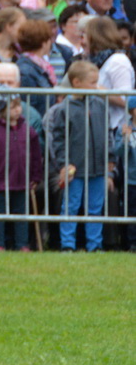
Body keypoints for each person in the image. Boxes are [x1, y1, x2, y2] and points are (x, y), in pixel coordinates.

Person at [0, 64, 46, 251]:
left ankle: (22, 243)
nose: (18, 110)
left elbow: (36, 155)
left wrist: (35, 177)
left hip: (22, 180)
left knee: (21, 214)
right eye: (13, 106)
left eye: (18, 105)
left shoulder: (28, 129)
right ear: (3, 109)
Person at [46, 58, 111, 251]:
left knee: (95, 208)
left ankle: (95, 244)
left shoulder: (100, 105)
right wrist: (64, 164)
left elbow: (107, 134)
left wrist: (110, 160)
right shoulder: (64, 110)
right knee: (71, 206)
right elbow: (58, 140)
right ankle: (67, 244)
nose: (97, 87)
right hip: (75, 168)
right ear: (77, 83)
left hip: (98, 167)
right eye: (93, 83)